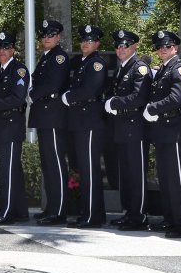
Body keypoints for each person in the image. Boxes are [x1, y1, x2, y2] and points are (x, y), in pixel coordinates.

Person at [143, 30, 181, 237]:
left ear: (176, 47)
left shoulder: (180, 68)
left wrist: (152, 108)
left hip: (174, 128)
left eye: (166, 46)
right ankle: (170, 218)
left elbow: (176, 98)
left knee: (176, 177)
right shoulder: (165, 69)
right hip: (163, 129)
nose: (162, 50)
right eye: (159, 47)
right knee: (164, 176)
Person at [104, 30, 152, 231]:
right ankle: (129, 212)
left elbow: (139, 98)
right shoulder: (123, 68)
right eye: (118, 46)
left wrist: (114, 102)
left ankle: (139, 215)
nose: (121, 49)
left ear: (134, 47)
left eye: (125, 45)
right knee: (125, 173)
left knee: (136, 173)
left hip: (136, 128)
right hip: (122, 128)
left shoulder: (139, 68)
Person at [63, 25, 108, 228]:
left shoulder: (96, 64)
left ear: (97, 43)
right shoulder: (83, 63)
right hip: (80, 121)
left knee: (90, 170)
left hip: (90, 121)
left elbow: (90, 90)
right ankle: (89, 213)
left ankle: (92, 216)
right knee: (84, 169)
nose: (85, 44)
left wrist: (68, 97)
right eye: (83, 41)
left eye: (89, 41)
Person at [29, 19, 71, 225]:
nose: (46, 38)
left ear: (58, 37)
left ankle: (60, 210)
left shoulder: (59, 57)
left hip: (54, 116)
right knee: (48, 164)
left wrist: (32, 94)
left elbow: (53, 85)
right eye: (44, 35)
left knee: (55, 164)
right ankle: (51, 207)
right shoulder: (46, 57)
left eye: (51, 35)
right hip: (44, 116)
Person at [0, 32, 30, 225]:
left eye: (6, 47)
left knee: (8, 171)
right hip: (2, 125)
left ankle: (6, 212)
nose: (2, 51)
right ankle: (20, 211)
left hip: (11, 125)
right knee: (12, 170)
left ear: (12, 49)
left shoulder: (18, 70)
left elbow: (18, 98)